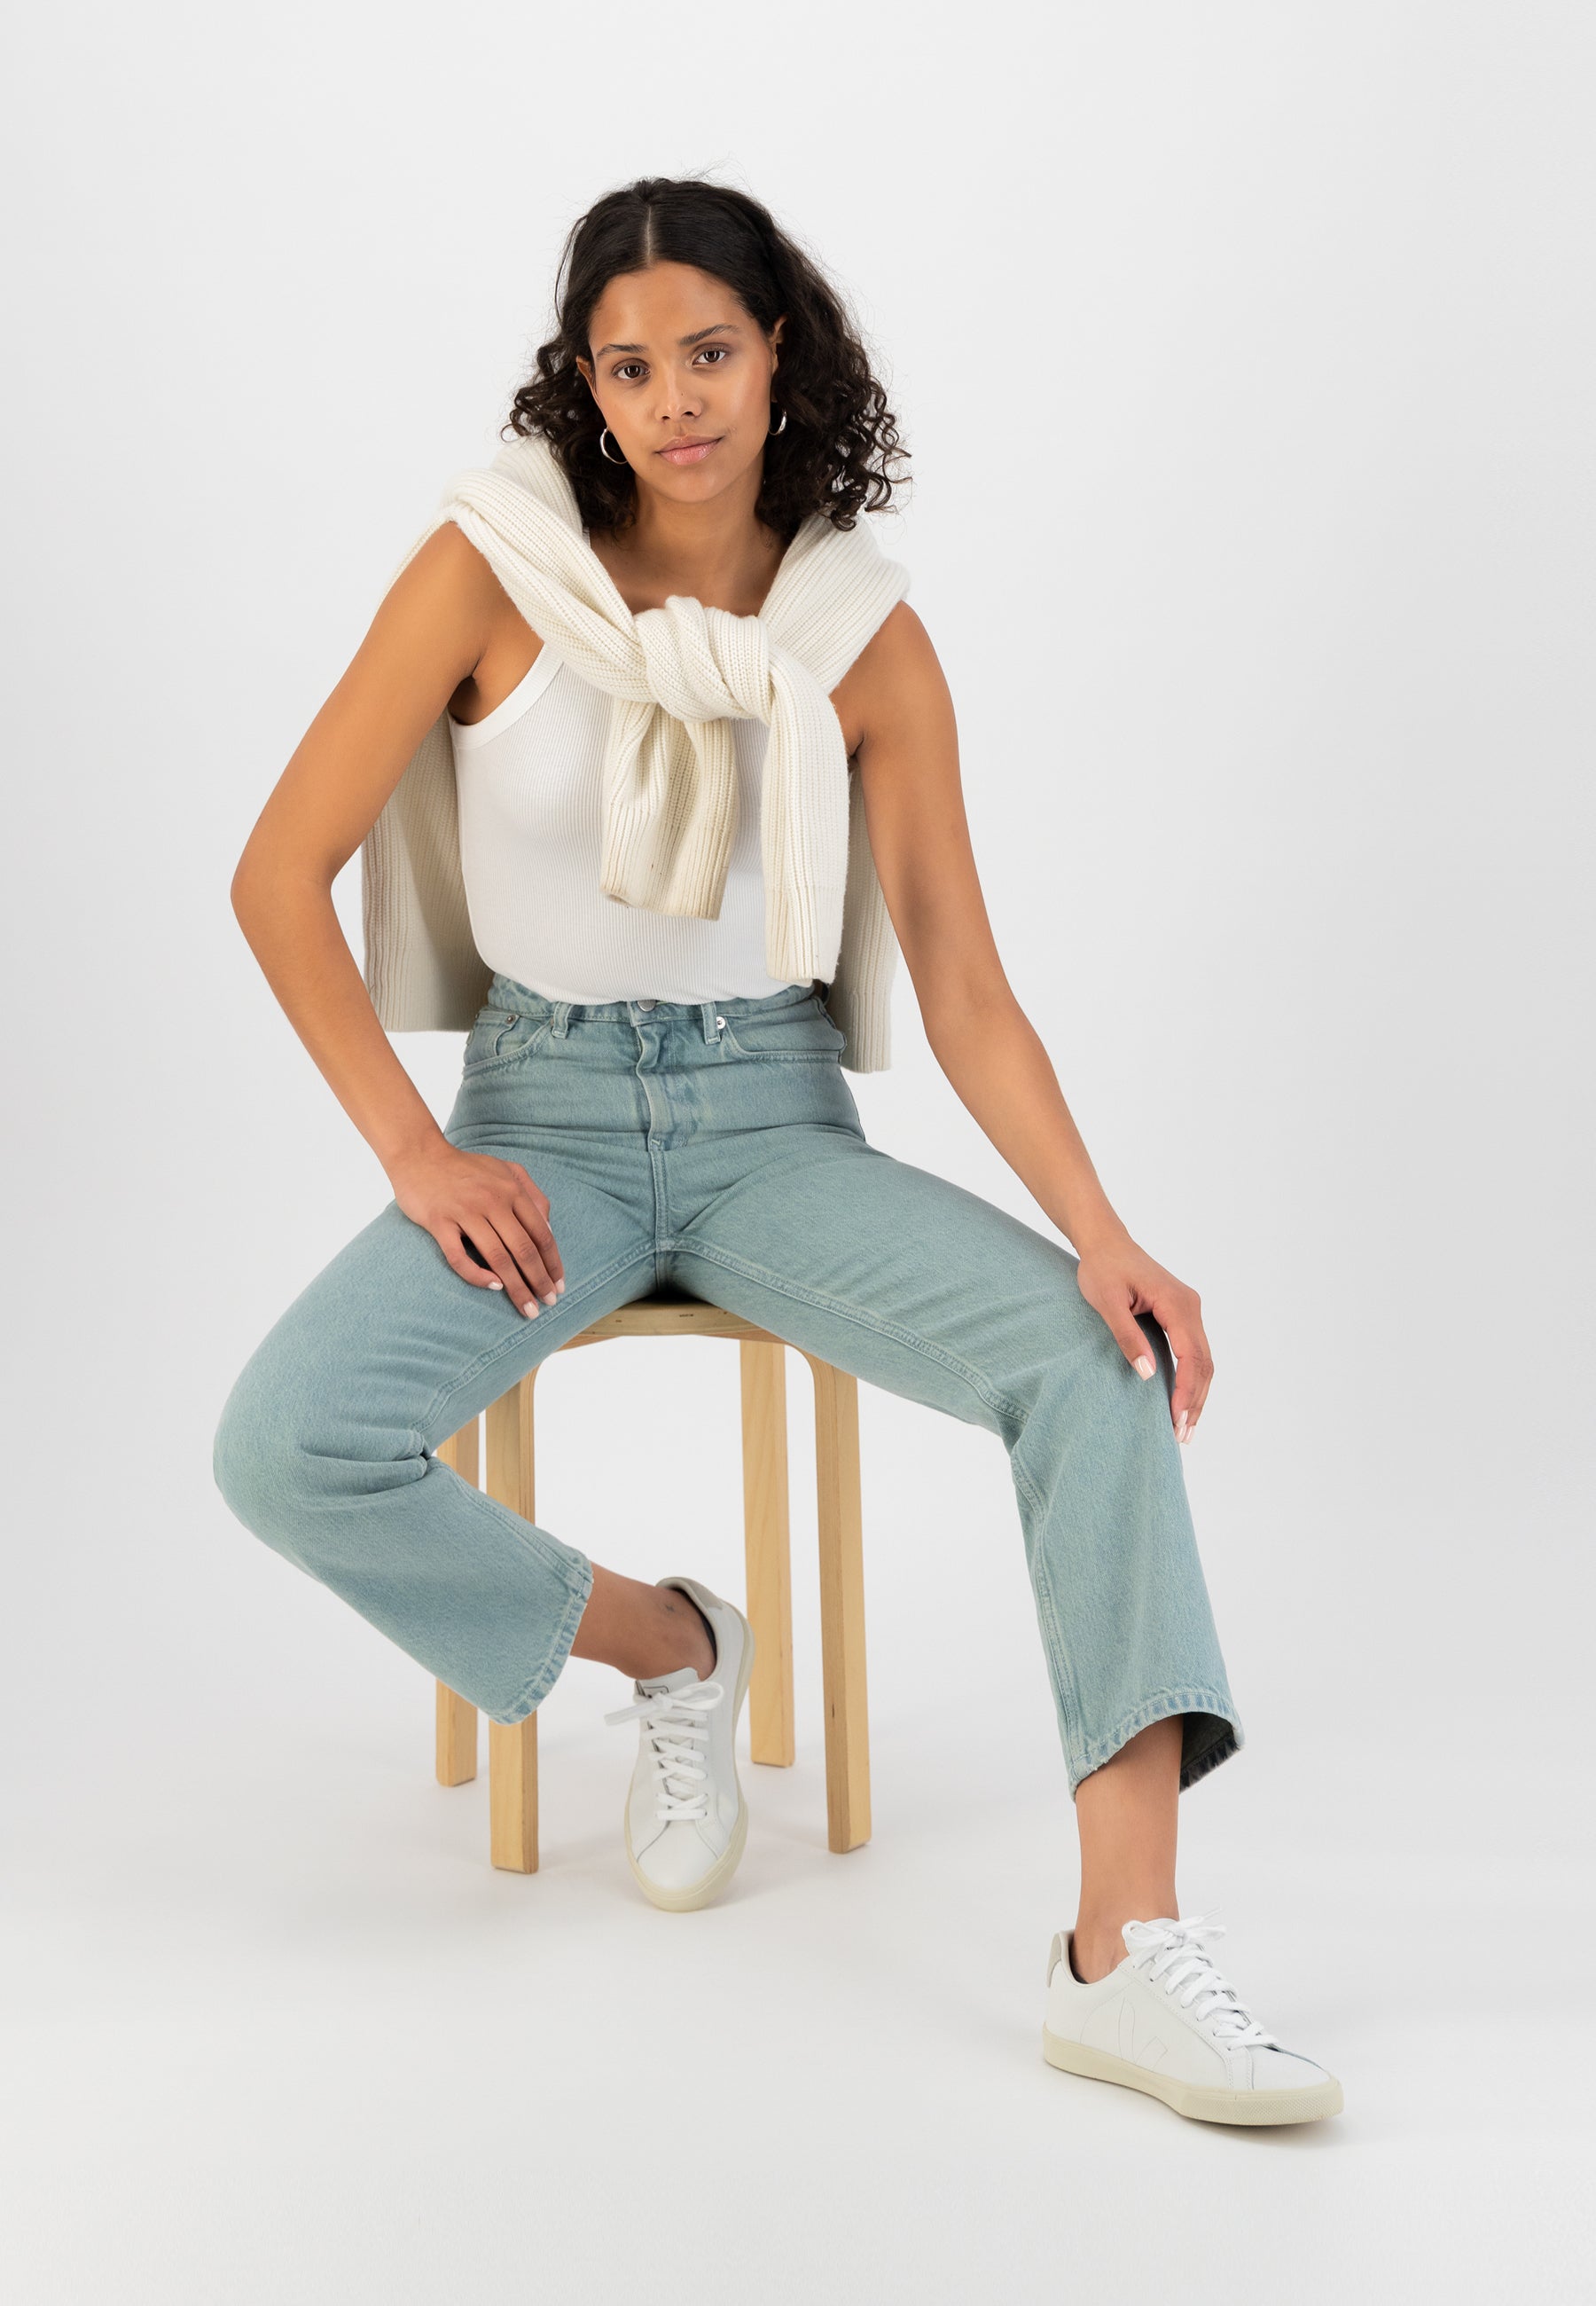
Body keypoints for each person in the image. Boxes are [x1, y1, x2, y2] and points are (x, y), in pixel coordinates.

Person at [212, 173, 1342, 2129]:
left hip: (770, 1129)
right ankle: (674, 1647)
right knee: (283, 1443)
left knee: (1098, 1362)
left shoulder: (860, 638)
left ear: (779, 354)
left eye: (710, 353)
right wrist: (412, 1153)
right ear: (584, 386)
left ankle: (1125, 1952)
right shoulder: (493, 573)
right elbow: (274, 874)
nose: (674, 400)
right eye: (628, 366)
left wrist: (1104, 1231)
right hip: (539, 1129)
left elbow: (964, 984)